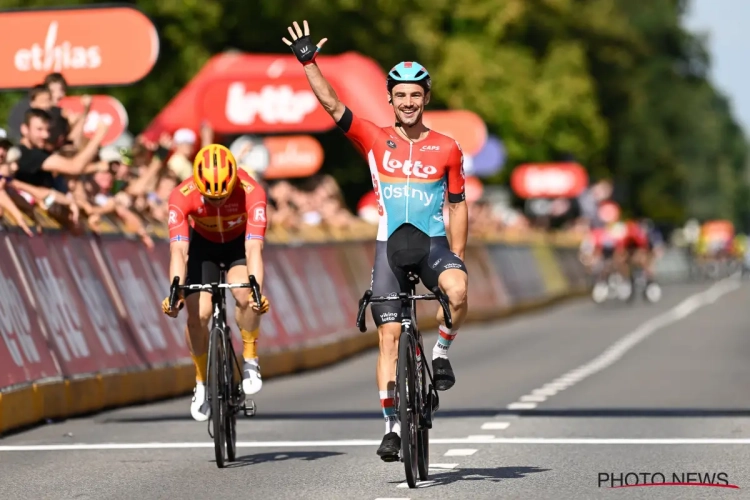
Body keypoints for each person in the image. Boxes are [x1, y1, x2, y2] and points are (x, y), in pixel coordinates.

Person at [283, 20, 469, 462]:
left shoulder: (447, 147)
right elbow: (332, 105)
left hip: (433, 244)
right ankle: (390, 426)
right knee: (388, 336)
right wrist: (309, 62)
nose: (408, 102)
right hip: (389, 246)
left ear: (427, 98)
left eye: (415, 94)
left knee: (459, 291)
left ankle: (441, 352)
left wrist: (457, 257)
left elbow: (458, 205)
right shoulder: (372, 136)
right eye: (400, 95)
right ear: (391, 99)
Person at [161, 143, 271, 422]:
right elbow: (179, 251)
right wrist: (175, 290)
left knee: (246, 296)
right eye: (211, 198)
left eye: (223, 197)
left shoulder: (252, 192)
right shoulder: (181, 196)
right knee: (199, 314)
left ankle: (250, 357)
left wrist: (257, 290)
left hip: (237, 246)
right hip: (202, 248)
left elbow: (254, 249)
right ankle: (200, 381)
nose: (218, 202)